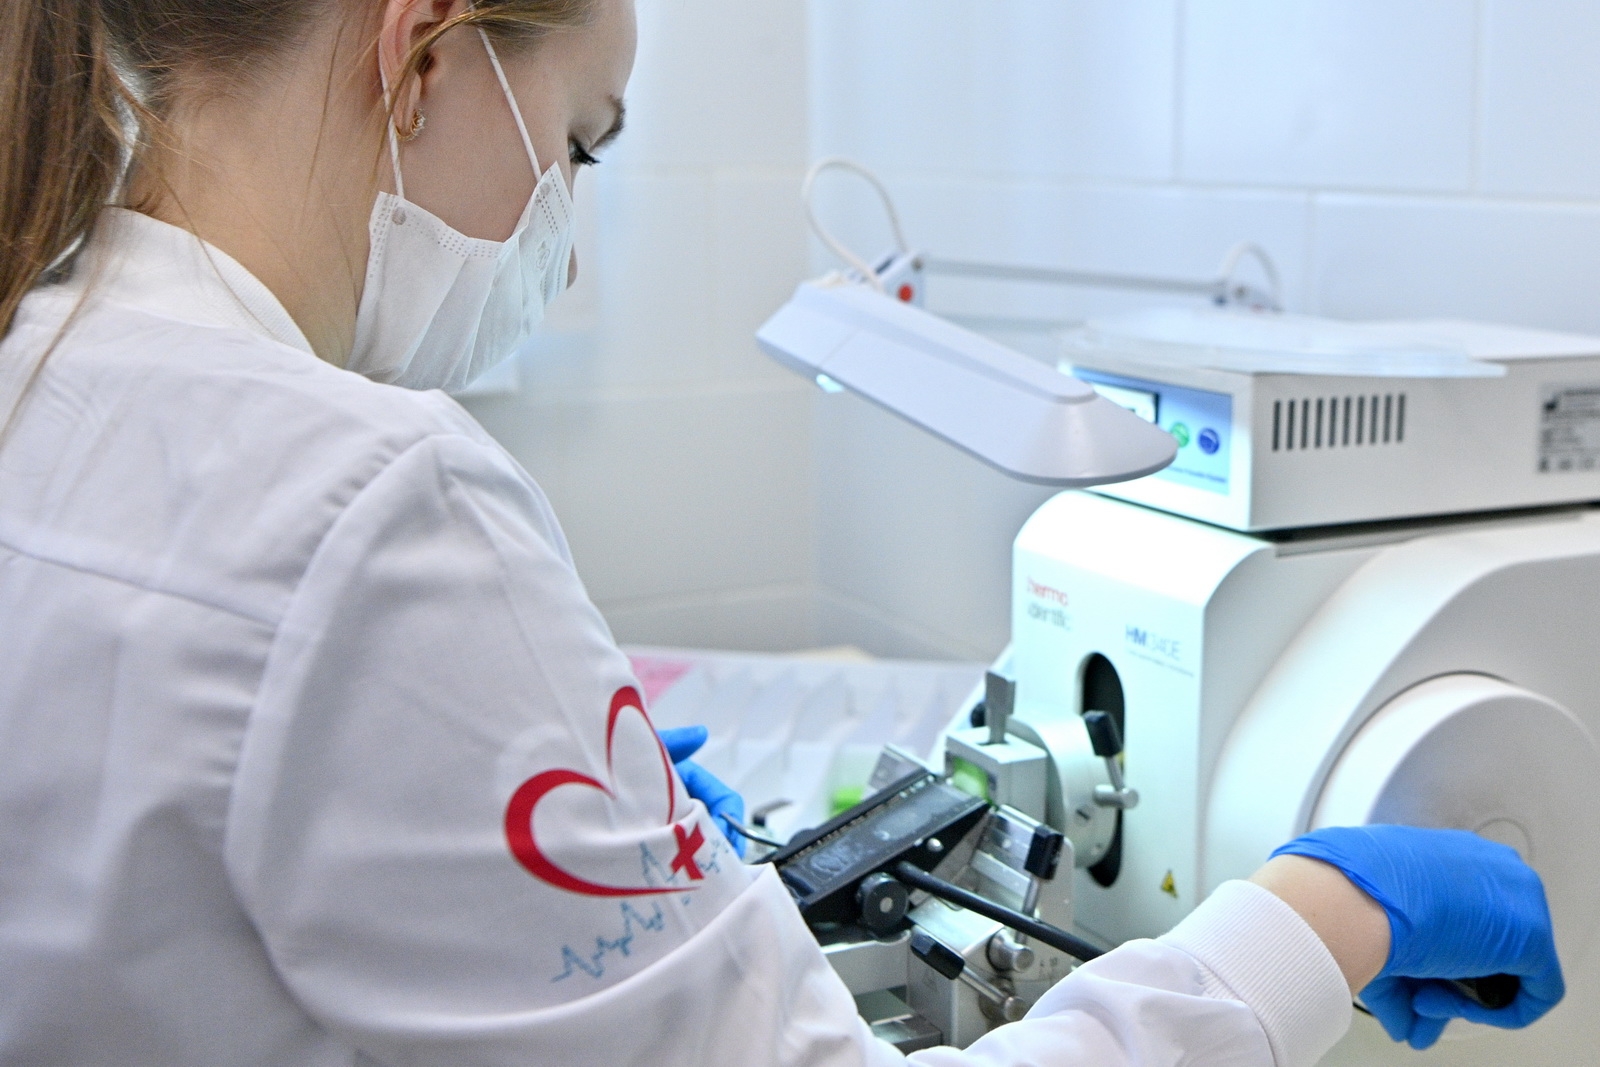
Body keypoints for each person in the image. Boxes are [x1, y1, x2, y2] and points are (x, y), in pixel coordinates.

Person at [0, 0, 1563, 1063]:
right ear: (421, 47)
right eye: (581, 141)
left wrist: (609, 882)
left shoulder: (44, 367)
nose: (565, 232)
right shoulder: (370, 502)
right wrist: (1322, 920)